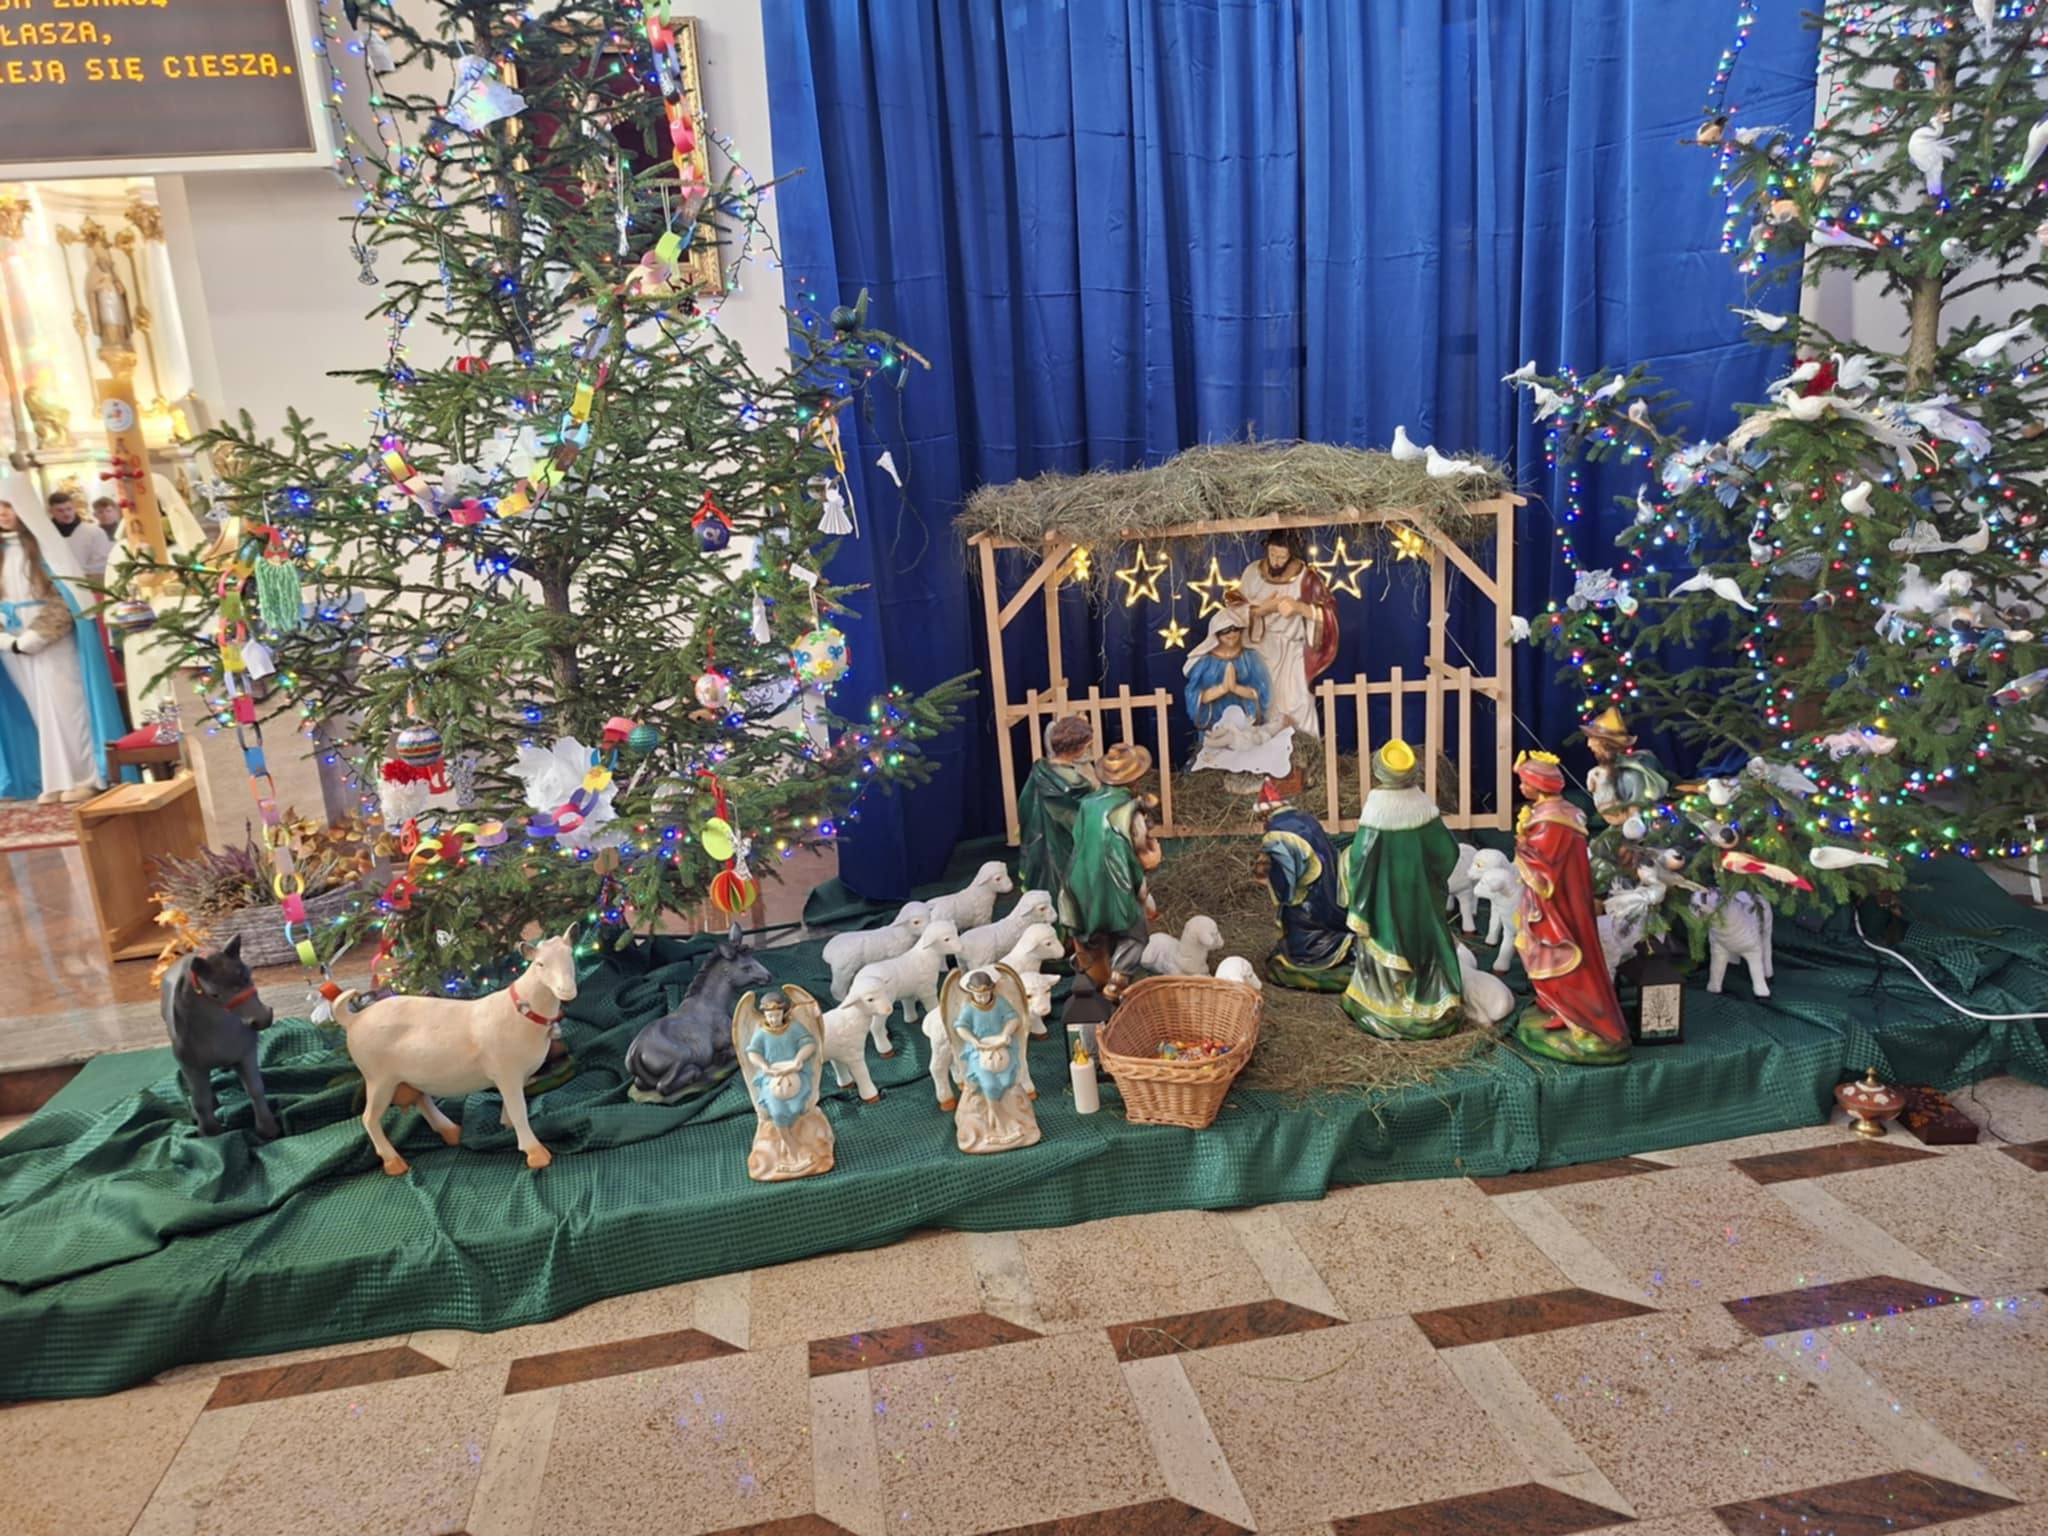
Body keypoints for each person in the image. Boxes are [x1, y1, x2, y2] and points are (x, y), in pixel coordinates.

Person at [1510, 751, 1631, 1065]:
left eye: (1524, 782)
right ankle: (1557, 1007)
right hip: (1556, 902)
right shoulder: (1558, 813)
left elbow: (1544, 869)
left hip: (1555, 908)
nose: (1521, 788)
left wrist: (1521, 846)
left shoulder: (1552, 821)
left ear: (1538, 785)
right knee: (1540, 954)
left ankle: (1576, 1014)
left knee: (1558, 955)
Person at [1340, 740, 1465, 1039]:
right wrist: (1430, 880)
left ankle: (1384, 1004)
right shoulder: (1423, 805)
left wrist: (1348, 869)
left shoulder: (1377, 809)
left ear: (1379, 772)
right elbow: (1448, 852)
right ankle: (1432, 1001)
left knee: (1385, 942)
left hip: (1383, 901)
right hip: (1421, 900)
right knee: (1426, 941)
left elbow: (1361, 857)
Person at [0, 501, 104, 804]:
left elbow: (67, 595)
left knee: (67, 708)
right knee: (39, 712)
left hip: (50, 640)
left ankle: (86, 776)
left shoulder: (48, 546)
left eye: (8, 506)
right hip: (12, 644)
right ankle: (57, 778)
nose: (3, 513)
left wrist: (38, 635)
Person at [1059, 742, 1162, 998]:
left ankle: (1093, 972)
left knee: (1093, 930)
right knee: (1136, 935)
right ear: (1134, 779)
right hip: (1116, 883)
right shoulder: (1130, 812)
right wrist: (1143, 884)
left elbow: (1078, 838)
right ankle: (1117, 980)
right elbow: (1140, 853)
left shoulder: (1087, 804)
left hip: (1081, 881)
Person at [1232, 530, 1339, 738]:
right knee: (1262, 704)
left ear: (1292, 554)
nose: (1276, 561)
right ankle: (1261, 750)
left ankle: (1302, 750)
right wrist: (1262, 609)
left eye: (1282, 556)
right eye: (1272, 554)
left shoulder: (1306, 578)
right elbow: (1235, 612)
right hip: (1259, 651)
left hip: (1292, 653)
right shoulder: (1252, 572)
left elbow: (1328, 614)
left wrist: (1299, 608)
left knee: (1299, 703)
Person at [1257, 784, 1352, 991]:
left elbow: (1286, 875)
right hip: (1328, 884)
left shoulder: (1276, 832)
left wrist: (1275, 883)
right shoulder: (1306, 818)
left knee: (1303, 932)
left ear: (1264, 814)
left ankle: (1315, 957)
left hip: (1306, 900)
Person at [1017, 714, 1098, 911]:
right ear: (1077, 749)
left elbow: (1025, 803)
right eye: (1087, 746)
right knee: (1066, 883)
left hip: (1038, 840)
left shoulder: (1039, 770)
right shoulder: (1076, 784)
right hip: (1064, 846)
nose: (1088, 750)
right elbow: (1085, 817)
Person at [44, 491, 112, 584]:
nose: (66, 514)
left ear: (74, 507)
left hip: (89, 584)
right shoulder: (45, 535)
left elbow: (101, 564)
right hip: (56, 585)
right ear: (51, 511)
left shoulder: (94, 532)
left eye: (69, 509)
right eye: (60, 510)